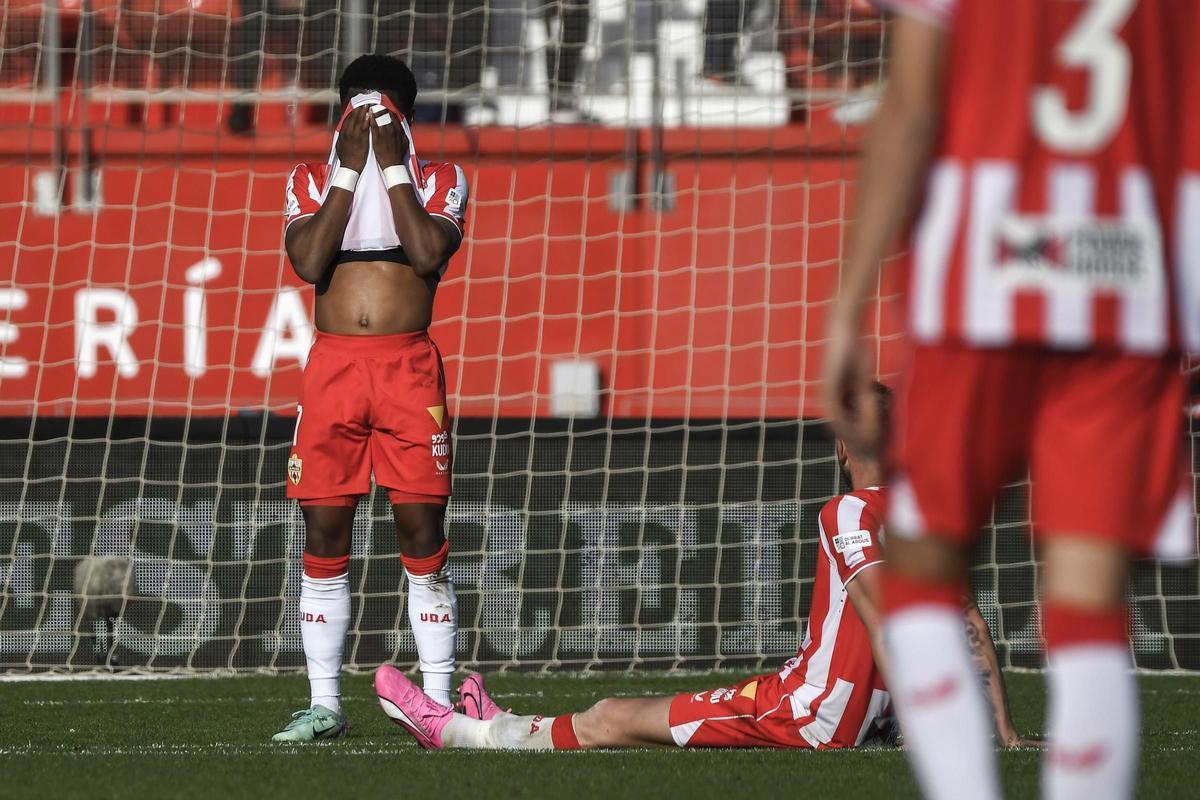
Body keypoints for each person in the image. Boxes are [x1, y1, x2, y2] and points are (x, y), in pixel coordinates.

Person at [824, 2, 1197, 798]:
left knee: (922, 571)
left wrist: (848, 308)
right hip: (1126, 282)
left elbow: (912, 104)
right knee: (1091, 605)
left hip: (988, 270)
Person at [373, 386, 1033, 752]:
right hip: (861, 715)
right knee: (621, 713)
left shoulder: (847, 511)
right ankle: (501, 722)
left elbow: (889, 623)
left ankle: (466, 735)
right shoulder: (927, 516)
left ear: (839, 446)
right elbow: (969, 624)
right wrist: (1001, 732)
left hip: (808, 713)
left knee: (613, 714)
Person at [272, 54, 470, 742]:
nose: (366, 121)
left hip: (408, 370)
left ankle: (438, 701)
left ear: (406, 115)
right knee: (324, 532)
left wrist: (390, 166)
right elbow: (308, 261)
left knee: (423, 535)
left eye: (380, 110)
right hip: (333, 370)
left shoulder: (441, 179)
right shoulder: (309, 180)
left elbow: (423, 252)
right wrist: (350, 171)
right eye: (355, 110)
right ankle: (324, 702)